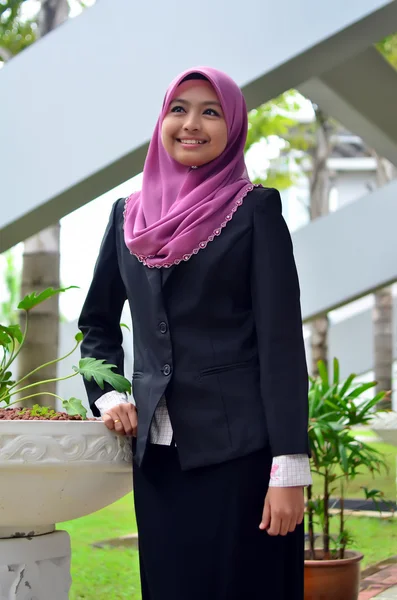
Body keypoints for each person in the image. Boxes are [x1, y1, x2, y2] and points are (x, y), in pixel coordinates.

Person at [78, 66, 312, 600]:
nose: (192, 124)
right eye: (178, 109)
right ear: (162, 120)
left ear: (232, 127)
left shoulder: (255, 211)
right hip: (159, 458)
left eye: (211, 112)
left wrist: (289, 469)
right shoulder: (126, 216)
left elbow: (280, 346)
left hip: (242, 455)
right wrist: (110, 392)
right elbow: (96, 322)